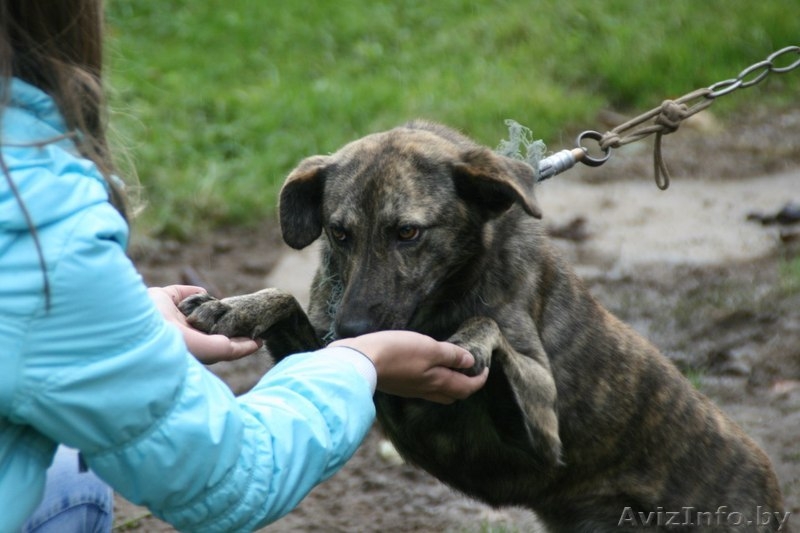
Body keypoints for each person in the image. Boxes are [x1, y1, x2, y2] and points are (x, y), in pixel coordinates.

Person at [0, 1, 489, 531]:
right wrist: (359, 363)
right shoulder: (39, 225)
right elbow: (228, 479)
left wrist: (110, 324)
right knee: (75, 466)